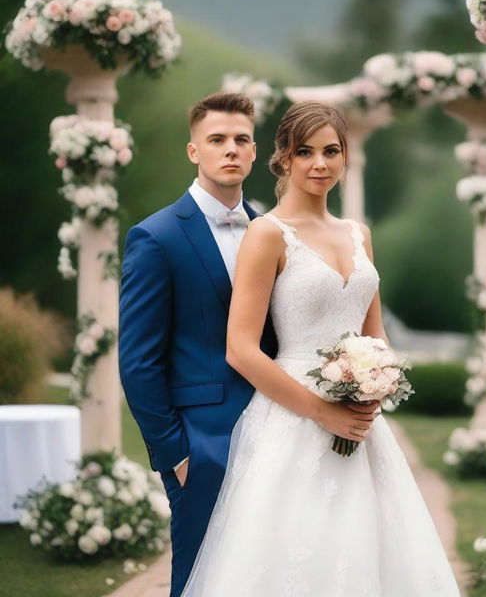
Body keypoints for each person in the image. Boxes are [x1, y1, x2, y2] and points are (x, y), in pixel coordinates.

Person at [180, 101, 461, 596]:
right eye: (305, 151)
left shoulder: (358, 233)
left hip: (360, 419)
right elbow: (241, 350)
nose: (320, 164)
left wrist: (375, 386)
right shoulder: (266, 234)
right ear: (283, 157)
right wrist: (322, 412)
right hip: (291, 418)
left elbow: (375, 334)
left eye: (332, 151)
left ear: (346, 156)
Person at [118, 93, 377, 597]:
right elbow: (138, 361)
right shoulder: (156, 237)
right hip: (205, 441)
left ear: (257, 152)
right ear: (194, 150)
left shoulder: (274, 228)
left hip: (285, 429)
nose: (230, 150)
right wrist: (175, 453)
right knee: (201, 576)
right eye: (216, 140)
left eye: (240, 140)